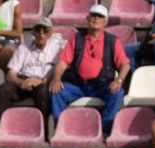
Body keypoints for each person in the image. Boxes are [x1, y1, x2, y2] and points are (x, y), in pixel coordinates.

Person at [49, 4, 130, 135]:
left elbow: (125, 64)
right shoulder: (76, 38)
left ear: (106, 21)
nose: (96, 19)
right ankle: (63, 128)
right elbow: (63, 62)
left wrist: (119, 80)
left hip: (102, 86)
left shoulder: (112, 41)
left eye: (100, 16)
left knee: (118, 92)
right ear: (88, 18)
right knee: (56, 91)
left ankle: (104, 129)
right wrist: (56, 79)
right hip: (78, 86)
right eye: (93, 15)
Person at [0, 17, 62, 122]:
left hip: (43, 82)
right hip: (24, 80)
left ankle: (43, 132)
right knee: (4, 89)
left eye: (45, 30)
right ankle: (4, 126)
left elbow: (59, 74)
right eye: (38, 30)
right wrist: (20, 82)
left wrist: (41, 81)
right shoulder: (23, 48)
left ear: (50, 33)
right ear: (33, 32)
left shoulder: (57, 50)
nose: (41, 34)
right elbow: (11, 74)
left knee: (42, 91)